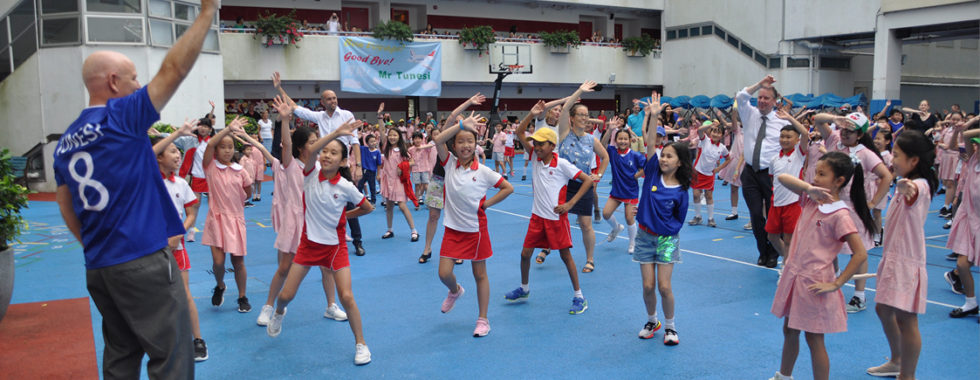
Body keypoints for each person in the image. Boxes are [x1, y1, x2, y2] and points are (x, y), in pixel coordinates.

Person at [52, 1, 217, 377]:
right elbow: (173, 69)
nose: (139, 86)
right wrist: (207, 11)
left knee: (121, 353)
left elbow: (67, 208)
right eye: (133, 79)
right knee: (172, 355)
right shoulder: (121, 117)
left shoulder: (65, 143)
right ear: (113, 83)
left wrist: (101, 245)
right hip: (141, 260)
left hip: (100, 266)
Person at [265, 119, 375, 367]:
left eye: (334, 153)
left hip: (335, 248)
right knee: (286, 295)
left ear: (343, 161)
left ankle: (361, 343)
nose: (326, 155)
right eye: (325, 151)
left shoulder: (346, 187)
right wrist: (336, 133)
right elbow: (312, 151)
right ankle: (279, 312)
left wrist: (345, 216)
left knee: (347, 296)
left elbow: (367, 207)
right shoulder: (309, 173)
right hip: (307, 246)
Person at [769, 151, 873, 380]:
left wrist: (837, 283)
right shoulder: (811, 198)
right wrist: (808, 189)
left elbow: (860, 253)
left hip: (813, 282)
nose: (816, 177)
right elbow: (783, 178)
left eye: (822, 174)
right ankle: (784, 376)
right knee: (789, 330)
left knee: (814, 339)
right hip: (794, 276)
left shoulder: (840, 214)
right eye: (816, 172)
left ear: (839, 181)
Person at [504, 102, 594, 314]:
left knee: (565, 257)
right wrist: (531, 114)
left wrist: (570, 204)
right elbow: (519, 132)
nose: (536, 147)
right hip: (537, 218)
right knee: (525, 254)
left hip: (555, 220)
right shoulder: (535, 158)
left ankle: (579, 296)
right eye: (535, 144)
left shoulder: (562, 164)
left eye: (541, 144)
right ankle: (524, 288)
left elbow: (587, 180)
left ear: (552, 146)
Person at [432, 111, 514, 337]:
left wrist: (488, 204)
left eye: (470, 141)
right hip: (452, 229)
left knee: (480, 275)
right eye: (461, 141)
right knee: (443, 273)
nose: (466, 145)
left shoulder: (485, 171)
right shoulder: (448, 163)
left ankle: (483, 319)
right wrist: (460, 124)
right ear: (454, 145)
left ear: (476, 145)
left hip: (476, 231)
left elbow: (508, 188)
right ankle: (455, 290)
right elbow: (437, 139)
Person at [866, 131, 936, 380]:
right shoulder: (908, 181)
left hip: (906, 260)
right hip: (893, 256)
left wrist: (906, 187)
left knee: (907, 320)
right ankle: (897, 360)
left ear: (914, 160)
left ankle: (908, 374)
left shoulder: (919, 185)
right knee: (883, 309)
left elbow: (913, 193)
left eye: (896, 155)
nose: (892, 159)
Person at [274, 73, 366, 253]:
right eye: (329, 99)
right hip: (322, 165)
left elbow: (355, 142)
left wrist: (358, 166)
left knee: (350, 203)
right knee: (323, 201)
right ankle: (325, 236)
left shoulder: (347, 115)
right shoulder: (319, 117)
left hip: (342, 165)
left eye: (335, 98)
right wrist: (279, 87)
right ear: (322, 102)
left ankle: (357, 241)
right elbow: (293, 107)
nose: (333, 101)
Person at [813, 112, 893, 313]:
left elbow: (886, 176)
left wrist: (873, 202)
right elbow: (817, 119)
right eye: (845, 129)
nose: (846, 133)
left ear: (860, 134)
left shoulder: (865, 153)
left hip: (853, 209)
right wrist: (836, 119)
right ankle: (833, 283)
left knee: (859, 252)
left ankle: (859, 296)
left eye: (852, 130)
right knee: (829, 249)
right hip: (830, 206)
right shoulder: (833, 140)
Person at [631, 91, 689, 345]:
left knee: (664, 287)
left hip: (666, 240)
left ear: (679, 163)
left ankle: (671, 326)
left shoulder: (682, 191)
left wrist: (666, 230)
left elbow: (679, 219)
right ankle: (651, 319)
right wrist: (653, 116)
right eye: (663, 155)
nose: (663, 159)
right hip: (644, 237)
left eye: (669, 156)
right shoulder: (652, 172)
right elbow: (651, 144)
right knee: (647, 286)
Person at [151, 121, 208, 362]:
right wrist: (175, 133)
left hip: (176, 248)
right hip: (151, 249)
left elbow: (192, 213)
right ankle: (161, 341)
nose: (179, 155)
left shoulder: (181, 184)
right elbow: (145, 157)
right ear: (159, 157)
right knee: (155, 297)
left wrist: (178, 233)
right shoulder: (147, 180)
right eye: (173, 151)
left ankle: (197, 339)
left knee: (184, 294)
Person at [419, 94, 486, 264]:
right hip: (439, 178)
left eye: (461, 122)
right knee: (433, 215)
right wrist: (469, 102)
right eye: (457, 121)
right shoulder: (446, 135)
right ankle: (427, 247)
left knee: (459, 215)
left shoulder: (466, 141)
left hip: (458, 180)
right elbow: (451, 117)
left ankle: (457, 251)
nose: (458, 123)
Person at [737, 75, 792, 268]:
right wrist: (760, 84)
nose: (761, 101)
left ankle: (774, 253)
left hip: (771, 174)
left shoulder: (781, 121)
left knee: (772, 216)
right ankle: (763, 250)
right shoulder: (749, 113)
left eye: (766, 98)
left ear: (774, 102)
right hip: (750, 172)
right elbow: (741, 96)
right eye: (760, 97)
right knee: (755, 215)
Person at [201, 118, 254, 312]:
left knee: (238, 262)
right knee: (218, 262)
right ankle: (221, 285)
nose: (227, 150)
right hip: (216, 220)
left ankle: (242, 296)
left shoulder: (241, 171)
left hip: (236, 220)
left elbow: (247, 192)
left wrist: (237, 203)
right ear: (217, 150)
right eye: (223, 147)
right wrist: (227, 129)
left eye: (230, 147)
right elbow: (210, 143)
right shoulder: (211, 167)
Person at [557, 80, 610, 273]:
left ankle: (590, 259)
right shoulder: (564, 134)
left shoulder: (591, 139)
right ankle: (547, 247)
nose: (585, 118)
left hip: (583, 185)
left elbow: (605, 157)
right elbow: (564, 109)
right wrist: (580, 90)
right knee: (556, 219)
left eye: (587, 116)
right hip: (563, 184)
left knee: (586, 224)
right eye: (580, 114)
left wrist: (599, 174)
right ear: (572, 118)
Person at [944, 115, 980, 319]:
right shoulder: (973, 159)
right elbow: (967, 135)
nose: (976, 147)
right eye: (976, 145)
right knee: (962, 265)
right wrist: (968, 125)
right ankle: (971, 303)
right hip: (969, 218)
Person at [765, 110, 810, 262]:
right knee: (772, 236)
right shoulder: (774, 159)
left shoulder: (798, 154)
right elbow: (773, 180)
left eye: (788, 137)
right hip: (776, 202)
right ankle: (789, 260)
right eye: (782, 136)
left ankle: (786, 268)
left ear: (797, 140)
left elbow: (805, 132)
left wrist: (789, 118)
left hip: (793, 203)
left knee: (789, 239)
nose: (784, 140)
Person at [599, 124, 646, 253]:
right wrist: (609, 130)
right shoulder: (613, 152)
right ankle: (616, 228)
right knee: (606, 213)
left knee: (629, 218)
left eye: (626, 139)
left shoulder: (635, 155)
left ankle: (632, 243)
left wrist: (637, 175)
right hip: (616, 192)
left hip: (631, 192)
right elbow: (602, 145)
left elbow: (646, 166)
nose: (623, 141)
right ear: (616, 140)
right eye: (620, 139)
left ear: (630, 141)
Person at [177, 116, 213, 241]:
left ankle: (213, 229)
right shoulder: (190, 140)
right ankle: (191, 230)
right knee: (194, 205)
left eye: (206, 126)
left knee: (213, 205)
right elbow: (175, 138)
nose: (203, 128)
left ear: (210, 129)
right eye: (201, 125)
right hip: (197, 176)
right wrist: (160, 134)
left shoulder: (213, 142)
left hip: (211, 177)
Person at [379, 126, 419, 241]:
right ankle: (390, 229)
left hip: (398, 181)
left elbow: (412, 162)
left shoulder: (403, 150)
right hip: (387, 180)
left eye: (395, 135)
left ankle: (414, 230)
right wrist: (380, 117)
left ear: (399, 137)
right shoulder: (386, 147)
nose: (392, 137)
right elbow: (382, 133)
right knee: (389, 206)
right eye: (390, 135)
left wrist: (402, 166)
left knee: (402, 205)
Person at [688, 120, 730, 227]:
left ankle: (711, 219)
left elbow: (728, 159)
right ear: (710, 133)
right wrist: (711, 124)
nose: (715, 134)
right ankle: (698, 217)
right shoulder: (704, 140)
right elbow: (700, 130)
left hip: (709, 175)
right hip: (697, 172)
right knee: (696, 195)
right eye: (714, 132)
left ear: (722, 135)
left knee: (709, 196)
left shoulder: (722, 148)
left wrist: (719, 169)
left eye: (718, 132)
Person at [715, 108, 746, 224]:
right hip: (735, 160)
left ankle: (754, 215)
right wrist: (734, 109)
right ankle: (734, 211)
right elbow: (730, 122)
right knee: (734, 188)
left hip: (747, 162)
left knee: (749, 190)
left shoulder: (752, 130)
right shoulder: (737, 128)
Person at [408, 132, 436, 210]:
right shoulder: (410, 149)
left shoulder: (425, 147)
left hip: (425, 169)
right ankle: (416, 204)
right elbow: (409, 159)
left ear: (422, 139)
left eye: (419, 138)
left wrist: (421, 147)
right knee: (417, 187)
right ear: (413, 140)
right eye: (415, 138)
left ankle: (429, 203)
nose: (417, 140)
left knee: (426, 186)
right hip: (415, 170)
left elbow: (432, 145)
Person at [358, 134, 382, 204]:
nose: (373, 143)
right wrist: (360, 137)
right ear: (367, 143)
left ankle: (373, 202)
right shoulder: (364, 149)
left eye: (374, 141)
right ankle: (361, 200)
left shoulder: (377, 152)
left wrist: (378, 174)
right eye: (371, 142)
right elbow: (357, 145)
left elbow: (379, 164)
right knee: (359, 186)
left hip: (372, 172)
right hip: (363, 171)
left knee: (372, 187)